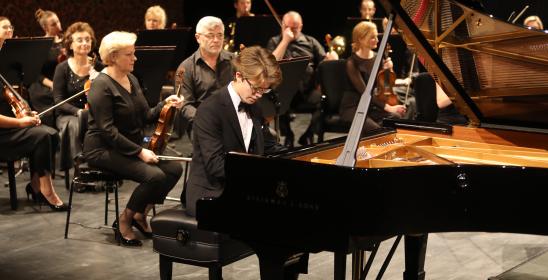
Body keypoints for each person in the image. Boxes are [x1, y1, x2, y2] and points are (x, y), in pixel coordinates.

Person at [83, 31, 183, 246]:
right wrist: (140, 152)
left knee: (174, 169)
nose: (134, 58)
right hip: (102, 149)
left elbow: (145, 115)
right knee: (154, 176)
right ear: (113, 57)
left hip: (126, 145)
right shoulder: (101, 86)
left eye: (133, 53)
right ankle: (124, 221)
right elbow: (107, 131)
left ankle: (139, 213)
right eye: (129, 54)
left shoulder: (132, 79)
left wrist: (166, 103)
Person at [185, 45, 284, 215]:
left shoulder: (255, 106)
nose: (259, 94)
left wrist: (299, 160)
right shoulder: (210, 109)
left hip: (242, 186)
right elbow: (216, 166)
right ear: (238, 76)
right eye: (256, 88)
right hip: (211, 192)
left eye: (264, 89)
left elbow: (269, 146)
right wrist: (259, 174)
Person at [267, 11, 338, 147]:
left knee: (325, 101)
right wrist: (285, 40)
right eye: (288, 27)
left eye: (295, 28)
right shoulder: (274, 41)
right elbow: (270, 64)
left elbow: (325, 61)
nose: (292, 31)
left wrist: (331, 59)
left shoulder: (310, 42)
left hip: (307, 89)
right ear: (282, 25)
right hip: (284, 90)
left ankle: (308, 134)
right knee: (275, 101)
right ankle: (288, 135)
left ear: (301, 26)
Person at [0, 81, 68, 211]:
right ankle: (47, 191)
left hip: (8, 129)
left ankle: (35, 185)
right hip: (2, 137)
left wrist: (26, 115)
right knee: (41, 136)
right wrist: (20, 123)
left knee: (52, 134)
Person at [52, 22, 100, 173]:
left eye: (88, 39)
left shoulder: (98, 67)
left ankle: (104, 168)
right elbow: (58, 100)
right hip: (68, 114)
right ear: (70, 45)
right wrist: (77, 112)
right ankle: (80, 168)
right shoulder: (62, 68)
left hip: (92, 113)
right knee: (75, 125)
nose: (85, 43)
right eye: (80, 40)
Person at [177, 16, 235, 138]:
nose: (216, 40)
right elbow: (185, 105)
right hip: (203, 124)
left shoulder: (235, 61)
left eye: (220, 35)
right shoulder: (186, 67)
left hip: (233, 121)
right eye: (210, 35)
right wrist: (207, 120)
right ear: (198, 38)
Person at [343, 21, 406, 128]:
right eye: (373, 37)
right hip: (353, 107)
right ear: (361, 39)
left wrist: (388, 71)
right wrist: (389, 108)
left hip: (372, 106)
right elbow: (365, 93)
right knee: (376, 130)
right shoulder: (351, 63)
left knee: (396, 118)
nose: (377, 40)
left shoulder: (378, 57)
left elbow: (385, 88)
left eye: (377, 36)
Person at [27, 9, 64, 128]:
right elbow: (36, 73)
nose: (58, 25)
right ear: (45, 28)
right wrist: (52, 84)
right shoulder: (41, 44)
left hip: (65, 82)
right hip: (46, 84)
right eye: (53, 24)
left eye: (58, 21)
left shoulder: (67, 42)